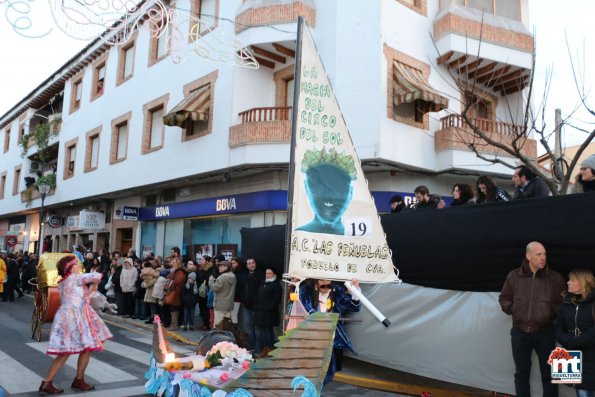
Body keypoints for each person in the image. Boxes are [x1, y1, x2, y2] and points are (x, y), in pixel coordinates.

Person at [498, 241, 566, 397]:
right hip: (519, 331)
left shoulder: (555, 278)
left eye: (545, 254)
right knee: (521, 374)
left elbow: (562, 305)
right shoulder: (514, 276)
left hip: (545, 332)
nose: (543, 258)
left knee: (549, 374)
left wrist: (549, 314)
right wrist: (514, 309)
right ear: (528, 256)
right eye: (539, 254)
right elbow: (504, 298)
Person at [39, 255, 112, 394]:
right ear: (69, 268)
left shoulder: (64, 282)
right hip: (74, 317)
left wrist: (93, 288)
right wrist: (96, 278)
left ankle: (78, 380)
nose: (79, 266)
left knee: (84, 348)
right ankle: (48, 383)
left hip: (73, 315)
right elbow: (96, 274)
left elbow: (83, 297)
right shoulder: (75, 278)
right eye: (76, 264)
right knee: (66, 352)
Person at [299, 278, 361, 384]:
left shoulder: (338, 292)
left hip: (333, 339)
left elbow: (353, 307)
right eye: (321, 281)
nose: (325, 284)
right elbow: (305, 306)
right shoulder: (307, 293)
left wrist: (354, 290)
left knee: (330, 372)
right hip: (313, 338)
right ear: (316, 282)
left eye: (327, 281)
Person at [296, 147, 357, 235]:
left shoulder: (357, 240)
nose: (328, 202)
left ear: (350, 193)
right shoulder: (297, 236)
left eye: (338, 191)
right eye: (319, 189)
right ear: (306, 188)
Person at [555, 268, 595, 396]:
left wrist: (577, 341)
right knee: (580, 392)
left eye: (572, 280)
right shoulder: (566, 301)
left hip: (591, 353)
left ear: (583, 282)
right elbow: (558, 327)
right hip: (570, 352)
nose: (568, 283)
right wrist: (567, 341)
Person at [253, 268, 282, 357]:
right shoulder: (263, 283)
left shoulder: (276, 285)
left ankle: (270, 349)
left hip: (270, 313)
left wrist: (267, 308)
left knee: (269, 332)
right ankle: (264, 349)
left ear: (274, 274)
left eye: (270, 273)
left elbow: (276, 299)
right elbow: (258, 296)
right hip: (260, 312)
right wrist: (257, 306)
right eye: (266, 273)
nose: (267, 275)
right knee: (262, 332)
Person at [239, 258, 265, 349]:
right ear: (246, 265)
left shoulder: (261, 275)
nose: (251, 265)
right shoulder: (244, 275)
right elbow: (241, 289)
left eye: (253, 263)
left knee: (257, 327)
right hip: (247, 305)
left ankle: (258, 347)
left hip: (257, 306)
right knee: (249, 326)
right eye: (249, 263)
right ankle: (251, 346)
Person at [208, 260, 236, 328]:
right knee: (225, 325)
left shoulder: (222, 277)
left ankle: (218, 338)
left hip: (220, 305)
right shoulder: (233, 276)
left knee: (218, 325)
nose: (219, 268)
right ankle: (224, 338)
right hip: (228, 305)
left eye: (221, 266)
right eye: (219, 266)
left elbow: (215, 288)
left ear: (227, 267)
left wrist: (211, 280)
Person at [163, 257, 187, 330]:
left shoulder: (180, 271)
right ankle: (173, 324)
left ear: (178, 263)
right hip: (174, 292)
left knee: (174, 309)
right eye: (172, 261)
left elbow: (177, 282)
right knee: (172, 308)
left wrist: (171, 280)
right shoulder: (174, 271)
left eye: (174, 262)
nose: (172, 263)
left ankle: (174, 325)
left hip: (176, 292)